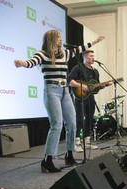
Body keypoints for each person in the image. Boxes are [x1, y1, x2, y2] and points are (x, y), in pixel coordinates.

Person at [14, 30, 105, 173]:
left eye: (61, 37)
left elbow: (80, 49)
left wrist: (95, 41)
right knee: (57, 124)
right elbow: (32, 62)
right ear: (51, 39)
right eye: (58, 37)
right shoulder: (42, 53)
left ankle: (69, 155)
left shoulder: (64, 54)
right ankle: (47, 160)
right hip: (52, 90)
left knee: (73, 124)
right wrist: (22, 63)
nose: (60, 39)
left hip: (65, 91)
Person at [67, 49, 112, 152]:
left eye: (93, 56)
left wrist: (104, 85)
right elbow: (69, 80)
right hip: (80, 97)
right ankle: (77, 142)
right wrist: (82, 86)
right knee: (79, 119)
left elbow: (96, 87)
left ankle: (87, 142)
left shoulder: (95, 71)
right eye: (91, 56)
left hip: (90, 98)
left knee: (89, 119)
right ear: (85, 57)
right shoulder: (78, 68)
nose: (93, 58)